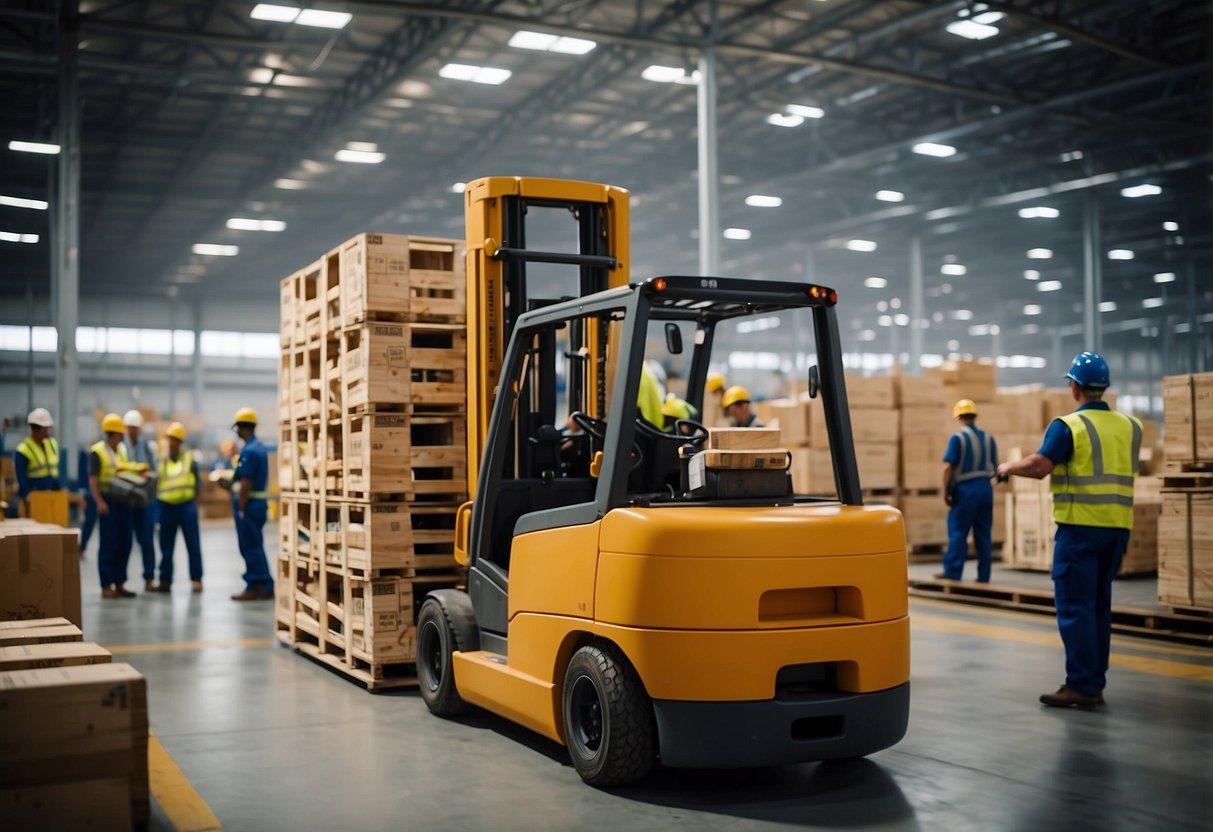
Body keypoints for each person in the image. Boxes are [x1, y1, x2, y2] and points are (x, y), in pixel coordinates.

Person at [996, 351, 1141, 710]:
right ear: (1103, 388)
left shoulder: (1068, 426)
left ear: (1074, 386)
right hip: (1117, 530)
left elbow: (1040, 465)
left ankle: (1081, 685)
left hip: (1080, 530)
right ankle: (1094, 681)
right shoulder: (1130, 427)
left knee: (1075, 607)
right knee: (1098, 607)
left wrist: (1007, 467)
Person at [937, 399, 998, 583]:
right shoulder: (989, 438)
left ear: (959, 417)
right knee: (983, 533)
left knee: (958, 531)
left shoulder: (958, 438)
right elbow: (996, 467)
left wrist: (946, 491)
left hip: (965, 489)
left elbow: (948, 467)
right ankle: (984, 575)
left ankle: (953, 571)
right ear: (974, 416)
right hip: (986, 488)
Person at [223, 408, 273, 601]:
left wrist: (241, 508)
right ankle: (263, 584)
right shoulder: (257, 447)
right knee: (255, 545)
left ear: (242, 428)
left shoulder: (250, 451)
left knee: (250, 546)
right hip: (258, 505)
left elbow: (245, 484)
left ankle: (257, 585)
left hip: (250, 506)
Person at [152, 422, 204, 593]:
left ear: (180, 442)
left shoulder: (189, 459)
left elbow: (197, 484)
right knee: (166, 546)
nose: (172, 443)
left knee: (193, 544)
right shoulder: (162, 461)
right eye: (170, 440)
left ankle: (196, 579)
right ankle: (165, 580)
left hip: (186, 507)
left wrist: (194, 505)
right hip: (166, 508)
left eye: (175, 440)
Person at [90, 413, 136, 598]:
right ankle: (105, 585)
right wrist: (99, 501)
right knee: (108, 543)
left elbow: (124, 470)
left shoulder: (122, 450)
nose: (123, 436)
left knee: (125, 542)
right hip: (107, 502)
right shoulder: (98, 452)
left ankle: (119, 583)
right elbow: (93, 480)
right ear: (112, 434)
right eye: (120, 434)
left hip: (123, 501)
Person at [122, 410, 158, 591]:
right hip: (127, 501)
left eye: (135, 428)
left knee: (147, 540)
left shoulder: (147, 448)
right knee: (124, 541)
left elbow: (154, 472)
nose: (133, 431)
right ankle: (120, 581)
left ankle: (149, 578)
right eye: (130, 428)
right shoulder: (121, 447)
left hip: (144, 501)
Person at [12, 408, 59, 518]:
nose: (49, 432)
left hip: (52, 495)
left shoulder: (52, 444)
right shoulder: (23, 450)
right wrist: (28, 498)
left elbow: (54, 471)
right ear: (35, 429)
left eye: (49, 428)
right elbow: (21, 479)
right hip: (34, 498)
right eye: (45, 429)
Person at [78, 447, 97, 555]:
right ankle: (83, 545)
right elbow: (83, 477)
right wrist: (82, 496)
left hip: (103, 494)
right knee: (89, 521)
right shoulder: (85, 456)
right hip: (89, 496)